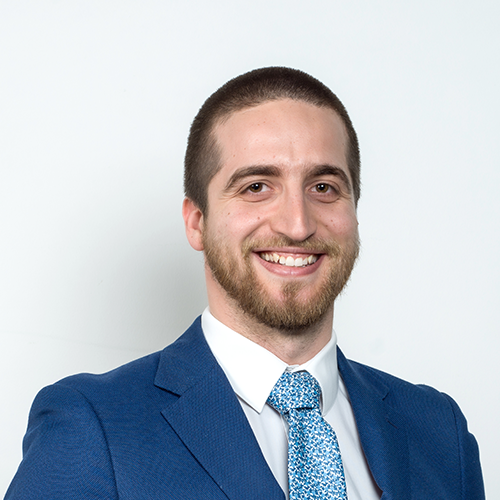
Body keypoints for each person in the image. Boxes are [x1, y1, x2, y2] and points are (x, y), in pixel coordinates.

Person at [6, 67, 484, 499]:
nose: (297, 224)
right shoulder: (93, 427)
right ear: (196, 222)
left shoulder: (439, 431)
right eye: (256, 187)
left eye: (324, 187)